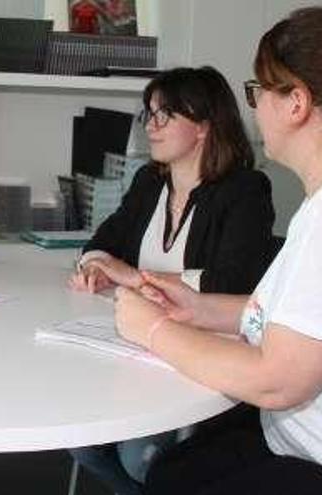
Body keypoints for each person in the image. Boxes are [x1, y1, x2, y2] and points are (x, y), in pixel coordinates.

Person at [115, 7, 322, 494]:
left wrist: (151, 329)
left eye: (258, 92)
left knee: (171, 477)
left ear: (297, 102)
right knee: (174, 470)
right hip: (300, 441)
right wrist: (199, 308)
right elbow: (305, 322)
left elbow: (278, 380)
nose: (253, 108)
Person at [67, 66, 275, 494]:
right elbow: (104, 238)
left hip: (202, 354)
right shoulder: (149, 181)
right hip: (135, 349)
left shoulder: (245, 190)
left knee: (138, 458)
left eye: (165, 115)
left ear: (202, 127)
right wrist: (95, 263)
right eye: (150, 114)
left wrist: (136, 276)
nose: (151, 126)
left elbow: (235, 279)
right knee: (82, 445)